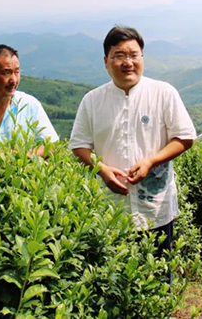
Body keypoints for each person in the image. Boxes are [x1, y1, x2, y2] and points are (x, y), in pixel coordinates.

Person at [69, 25, 195, 257]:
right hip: (110, 208)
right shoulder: (92, 100)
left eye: (133, 55)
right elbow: (79, 145)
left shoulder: (163, 93)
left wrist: (151, 161)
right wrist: (102, 169)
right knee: (112, 277)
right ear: (106, 61)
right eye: (119, 56)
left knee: (157, 277)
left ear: (142, 58)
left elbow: (184, 137)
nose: (128, 62)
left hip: (156, 207)